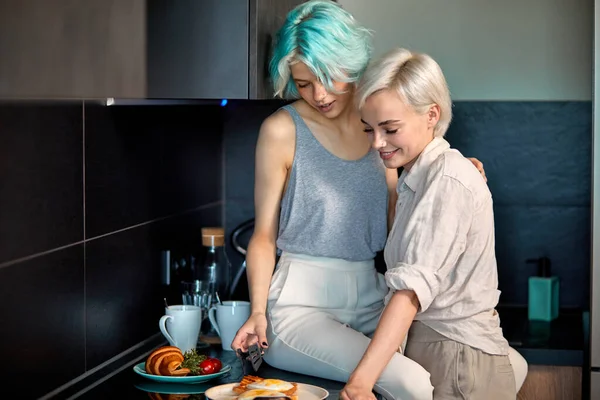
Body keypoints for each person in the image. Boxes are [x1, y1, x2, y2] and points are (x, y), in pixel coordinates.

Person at [230, 1, 527, 399]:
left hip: (373, 292)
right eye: (303, 83)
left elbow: (397, 211)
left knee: (513, 365)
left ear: (351, 64)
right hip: (302, 305)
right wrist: (259, 312)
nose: (319, 94)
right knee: (413, 383)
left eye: (328, 77)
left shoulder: (376, 123)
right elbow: (264, 236)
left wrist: (452, 174)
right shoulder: (282, 130)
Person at [340, 47, 518, 400]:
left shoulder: (447, 179)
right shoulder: (423, 179)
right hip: (444, 354)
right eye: (369, 129)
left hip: (457, 360)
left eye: (390, 128)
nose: (377, 143)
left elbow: (410, 291)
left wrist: (359, 384)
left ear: (431, 115)